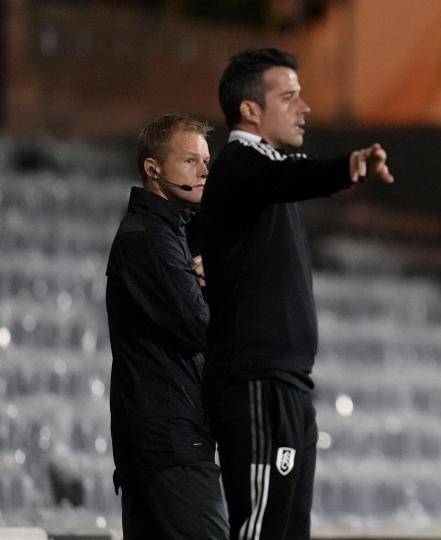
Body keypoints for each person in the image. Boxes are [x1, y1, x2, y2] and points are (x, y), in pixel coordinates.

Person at [199, 47, 393, 539]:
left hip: (285, 383)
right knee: (260, 529)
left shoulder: (263, 173)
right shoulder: (241, 165)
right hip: (256, 381)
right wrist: (348, 166)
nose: (304, 108)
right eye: (288, 97)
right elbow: (291, 177)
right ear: (250, 110)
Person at [106, 114, 228, 539]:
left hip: (155, 441)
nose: (204, 171)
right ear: (153, 169)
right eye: (191, 161)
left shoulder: (167, 233)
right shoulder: (152, 238)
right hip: (172, 441)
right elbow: (200, 329)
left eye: (207, 161)